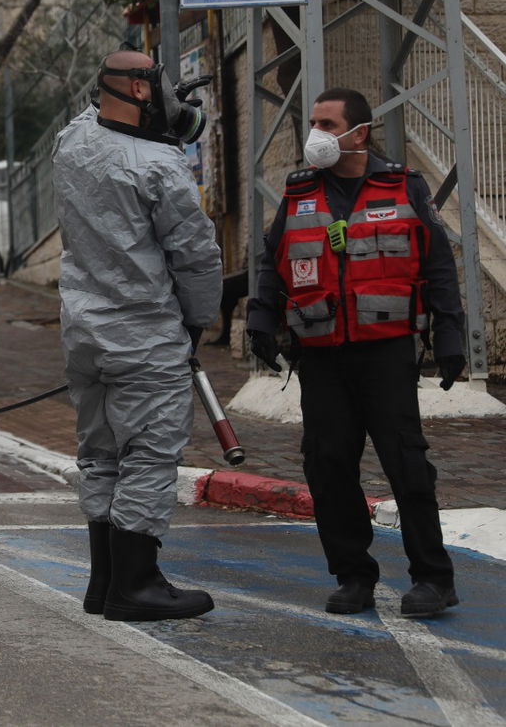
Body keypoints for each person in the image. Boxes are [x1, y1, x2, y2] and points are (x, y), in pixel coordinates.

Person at [246, 87, 465, 619]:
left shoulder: (406, 187)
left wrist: (450, 334)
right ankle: (353, 575)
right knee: (327, 466)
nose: (315, 134)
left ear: (358, 132)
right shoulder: (298, 193)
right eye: (314, 123)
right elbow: (272, 262)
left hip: (386, 352)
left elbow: (437, 265)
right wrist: (261, 319)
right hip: (320, 354)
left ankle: (434, 579)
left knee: (407, 466)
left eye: (326, 123)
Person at [54, 49, 223, 621]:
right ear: (143, 90)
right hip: (144, 333)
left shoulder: (69, 143)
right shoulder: (160, 164)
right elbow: (195, 256)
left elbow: (92, 118)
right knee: (150, 453)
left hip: (84, 333)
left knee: (99, 454)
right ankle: (136, 583)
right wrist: (198, 321)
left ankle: (102, 583)